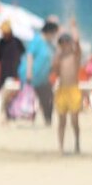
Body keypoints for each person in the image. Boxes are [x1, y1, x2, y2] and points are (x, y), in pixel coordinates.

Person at [54, 21, 83, 154]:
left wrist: (73, 27)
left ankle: (77, 142)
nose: (64, 44)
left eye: (66, 42)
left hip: (73, 89)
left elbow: (77, 42)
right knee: (62, 121)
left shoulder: (74, 56)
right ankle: (61, 146)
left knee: (74, 120)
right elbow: (55, 71)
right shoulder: (59, 57)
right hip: (62, 90)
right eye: (62, 42)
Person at [25, 20, 59, 126]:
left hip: (44, 77)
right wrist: (29, 73)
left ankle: (48, 120)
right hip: (35, 75)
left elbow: (56, 55)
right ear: (49, 32)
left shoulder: (49, 44)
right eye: (54, 33)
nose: (54, 36)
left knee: (49, 98)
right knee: (46, 97)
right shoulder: (37, 40)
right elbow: (30, 56)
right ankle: (47, 120)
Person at [0, 20, 26, 118]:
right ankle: (7, 113)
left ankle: (13, 112)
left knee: (14, 94)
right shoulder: (2, 42)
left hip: (15, 73)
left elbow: (23, 55)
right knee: (4, 95)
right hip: (5, 73)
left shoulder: (16, 42)